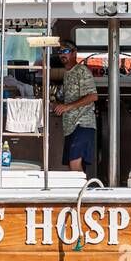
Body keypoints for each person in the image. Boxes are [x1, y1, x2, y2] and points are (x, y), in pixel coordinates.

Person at [53, 42, 97, 171]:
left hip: (82, 123)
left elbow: (93, 96)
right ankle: (81, 190)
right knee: (71, 165)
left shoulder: (81, 70)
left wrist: (67, 107)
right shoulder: (67, 73)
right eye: (60, 52)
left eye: (65, 51)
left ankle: (81, 191)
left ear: (74, 53)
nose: (62, 54)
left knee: (74, 163)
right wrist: (57, 104)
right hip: (70, 126)